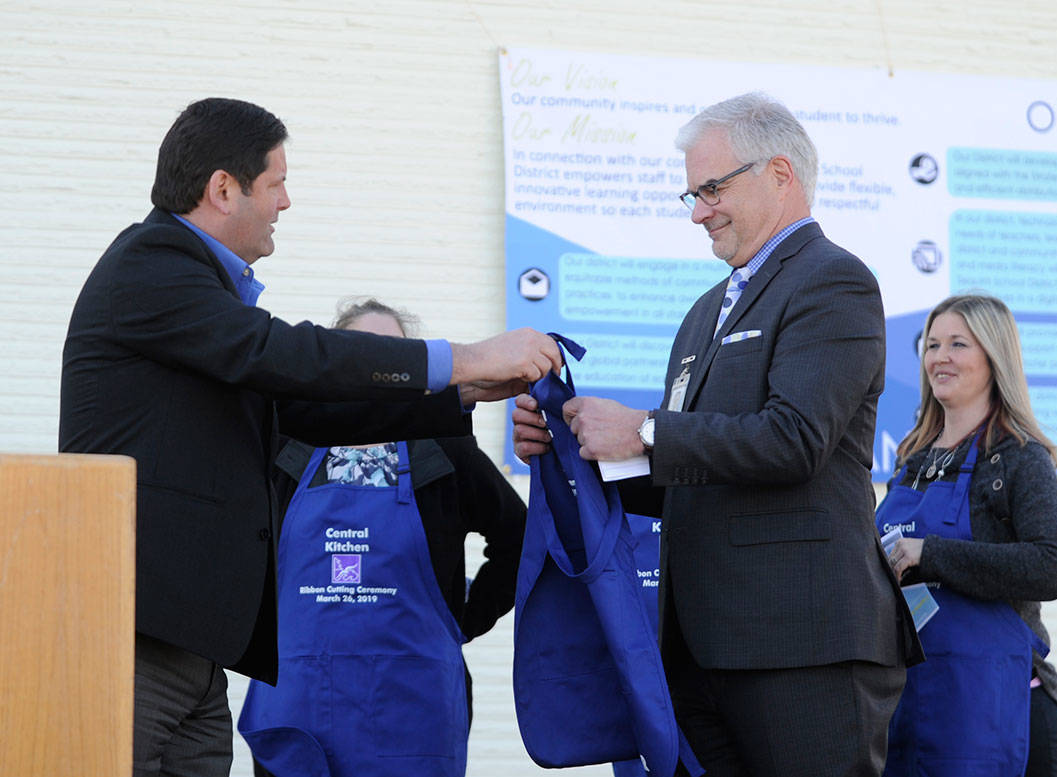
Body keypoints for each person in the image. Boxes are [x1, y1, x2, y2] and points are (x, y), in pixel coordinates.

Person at [58, 97, 561, 777]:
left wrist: (467, 391)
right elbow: (289, 358)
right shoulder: (155, 265)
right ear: (222, 188)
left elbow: (311, 408)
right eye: (277, 183)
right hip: (137, 644)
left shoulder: (201, 296)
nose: (286, 202)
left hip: (195, 653)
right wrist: (464, 357)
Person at [514, 92, 921, 777]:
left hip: (803, 645)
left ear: (781, 174)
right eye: (692, 195)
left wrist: (643, 429)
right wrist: (576, 452)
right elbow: (692, 476)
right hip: (700, 650)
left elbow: (793, 440)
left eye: (711, 188)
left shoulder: (835, 282)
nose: (699, 211)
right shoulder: (705, 312)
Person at [241, 298, 528, 777]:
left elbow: (518, 538)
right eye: (361, 353)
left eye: (391, 355)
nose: (378, 369)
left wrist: (462, 620)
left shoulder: (444, 451)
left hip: (411, 711)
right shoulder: (283, 449)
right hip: (297, 711)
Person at [877, 293, 1057, 777]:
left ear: (994, 358)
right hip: (917, 706)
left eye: (957, 344)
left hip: (999, 709)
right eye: (931, 344)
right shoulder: (913, 460)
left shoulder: (1016, 458)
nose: (939, 357)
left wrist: (932, 554)